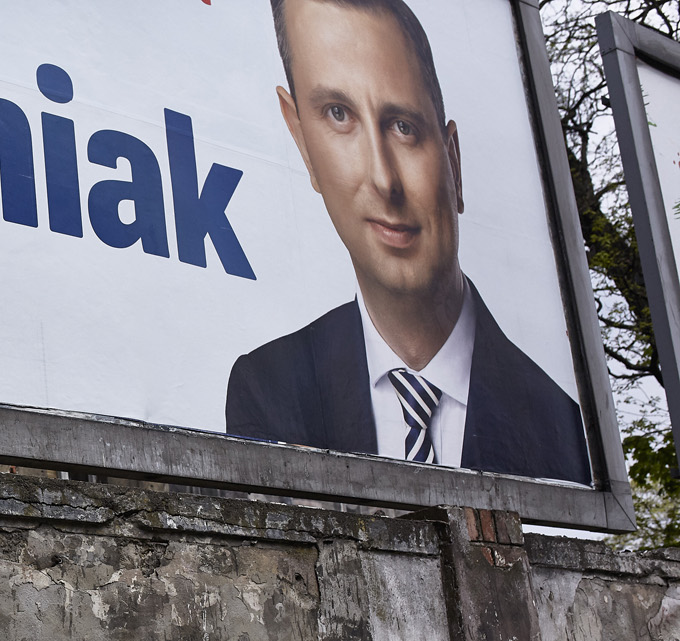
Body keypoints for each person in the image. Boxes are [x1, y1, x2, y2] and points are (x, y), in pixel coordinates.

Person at [224, 0, 592, 484]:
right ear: (301, 140)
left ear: (453, 162)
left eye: (404, 127)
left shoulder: (565, 430)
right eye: (338, 114)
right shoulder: (267, 387)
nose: (382, 180)